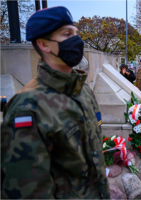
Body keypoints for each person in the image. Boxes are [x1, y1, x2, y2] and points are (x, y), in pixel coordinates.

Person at [1, 7, 110, 199]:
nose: (77, 40)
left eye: (76, 33)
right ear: (44, 44)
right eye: (67, 34)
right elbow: (29, 192)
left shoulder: (83, 91)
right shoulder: (27, 106)